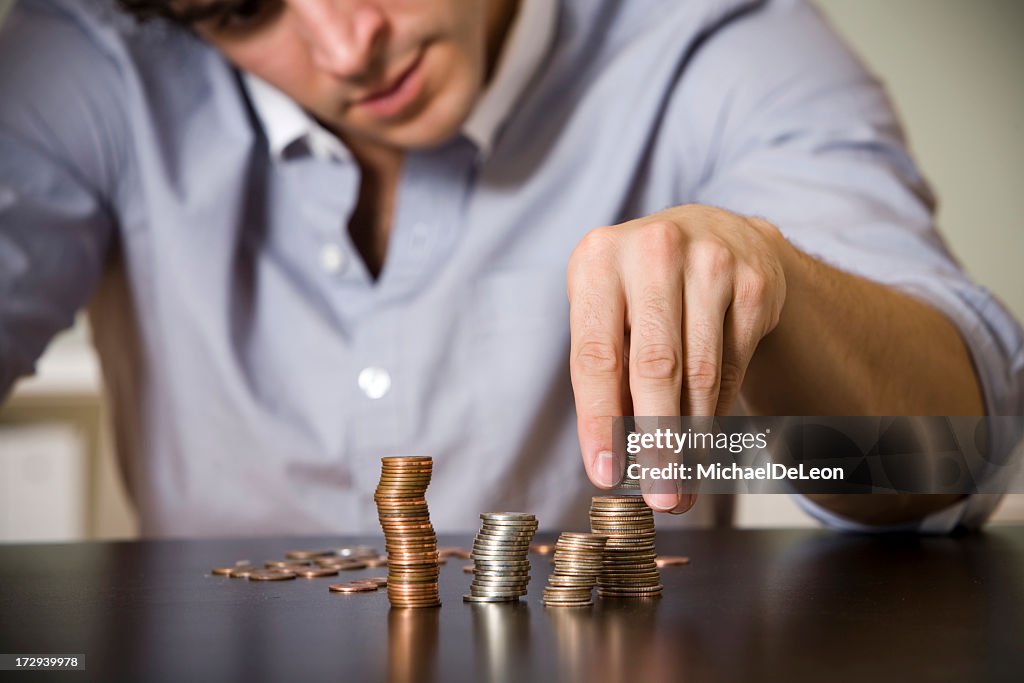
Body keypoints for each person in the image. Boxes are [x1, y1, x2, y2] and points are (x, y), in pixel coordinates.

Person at [0, 0, 1020, 536]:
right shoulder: (82, 58)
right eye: (242, 10)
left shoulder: (718, 41)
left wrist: (779, 284)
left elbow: (953, 465)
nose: (350, 45)